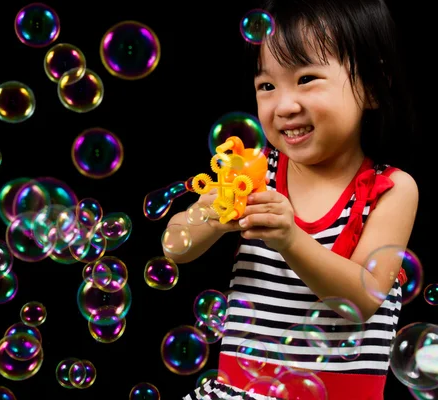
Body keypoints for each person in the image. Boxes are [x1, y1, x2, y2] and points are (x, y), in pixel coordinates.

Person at [166, 0, 419, 399]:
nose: (284, 105)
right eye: (267, 86)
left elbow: (363, 298)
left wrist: (290, 238)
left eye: (307, 79)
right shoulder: (250, 172)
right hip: (240, 390)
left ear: (370, 86)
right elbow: (174, 245)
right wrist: (213, 216)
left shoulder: (391, 188)